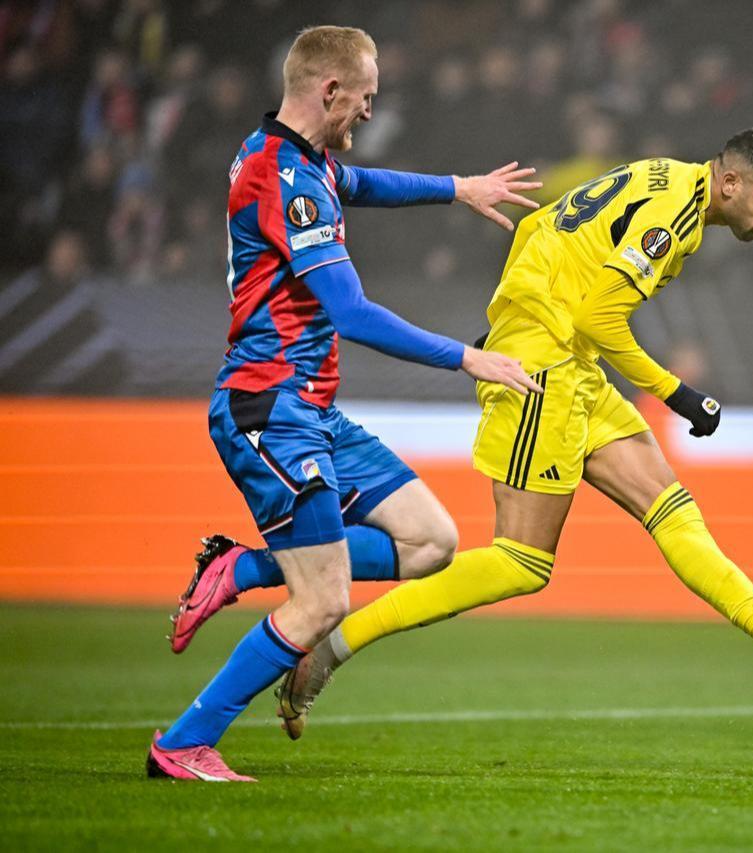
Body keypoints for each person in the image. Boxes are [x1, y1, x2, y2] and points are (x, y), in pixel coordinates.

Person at [273, 128, 753, 740]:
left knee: (675, 514)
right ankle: (329, 645)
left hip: (568, 359)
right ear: (731, 182)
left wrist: (519, 305)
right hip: (540, 369)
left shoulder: (667, 174)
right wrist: (675, 392)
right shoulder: (675, 212)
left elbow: (542, 229)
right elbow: (601, 315)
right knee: (520, 563)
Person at [146, 25, 543, 783]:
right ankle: (185, 742)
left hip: (313, 412)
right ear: (330, 90)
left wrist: (458, 188)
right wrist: (470, 358)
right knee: (321, 599)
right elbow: (351, 312)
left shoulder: (299, 159)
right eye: (364, 99)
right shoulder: (287, 179)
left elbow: (364, 184)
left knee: (431, 541)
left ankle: (246, 565)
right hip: (269, 406)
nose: (366, 114)